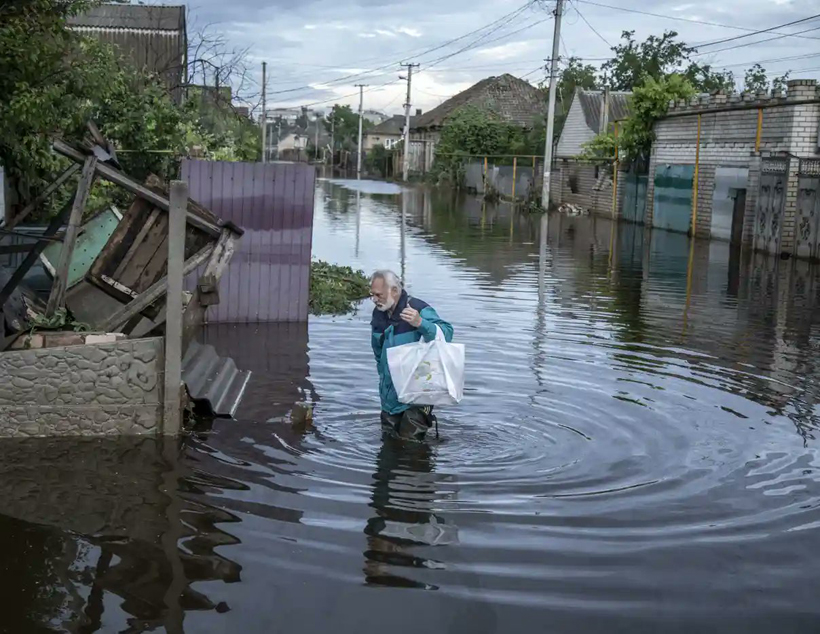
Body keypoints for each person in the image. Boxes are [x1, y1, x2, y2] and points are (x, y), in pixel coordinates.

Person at [369, 270, 453, 440]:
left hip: (418, 394)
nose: (375, 300)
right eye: (372, 295)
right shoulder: (378, 314)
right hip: (390, 396)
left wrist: (420, 323)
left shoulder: (418, 308)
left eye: (379, 295)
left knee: (410, 445)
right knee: (389, 441)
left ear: (394, 290)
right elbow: (378, 353)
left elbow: (447, 334)